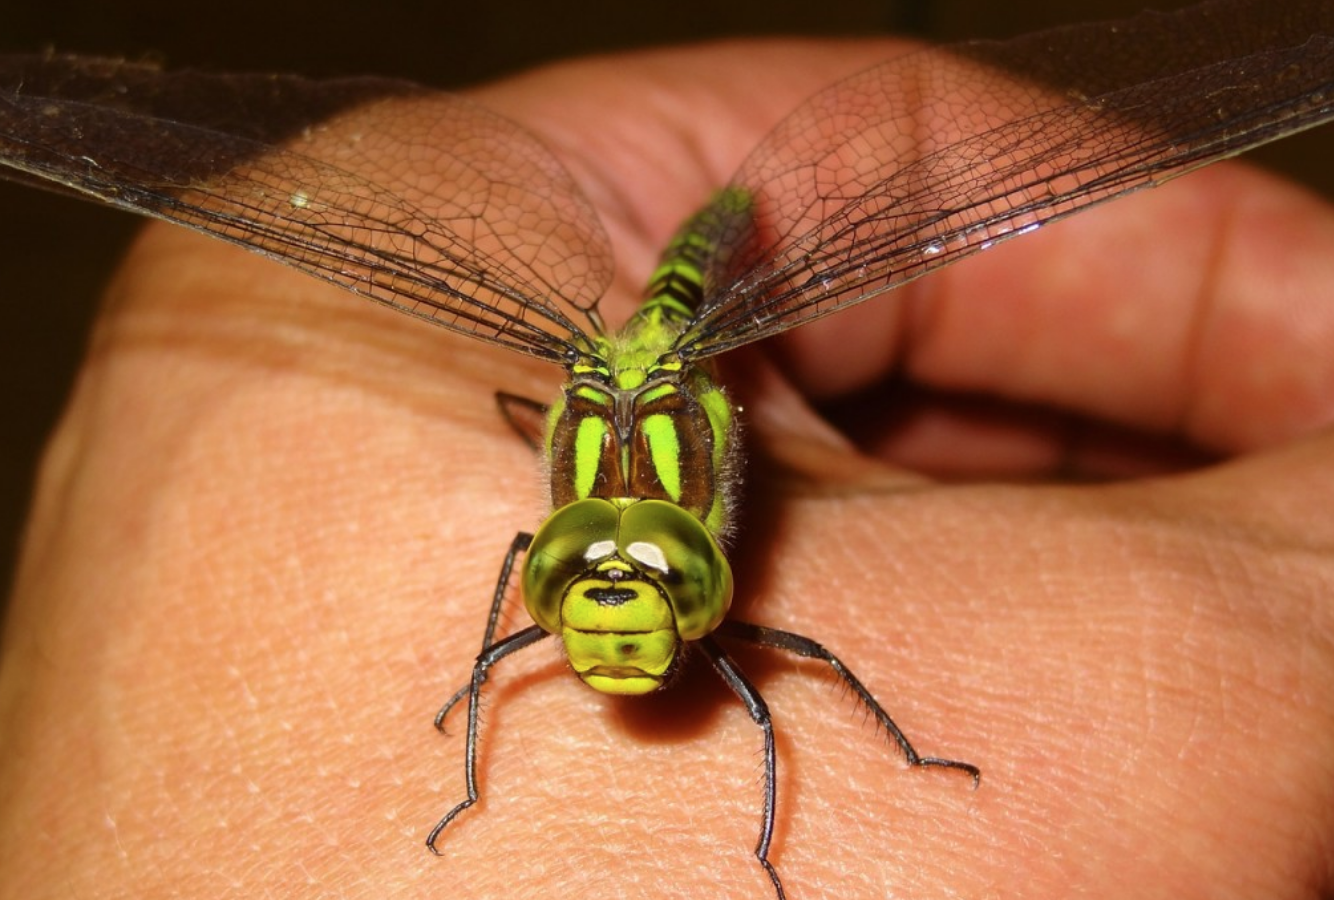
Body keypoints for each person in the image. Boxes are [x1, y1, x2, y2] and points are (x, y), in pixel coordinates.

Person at [1, 38, 1331, 899]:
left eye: (648, 584)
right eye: (588, 584)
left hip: (712, 271)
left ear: (709, 539)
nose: (611, 614)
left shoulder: (702, 491)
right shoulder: (563, 557)